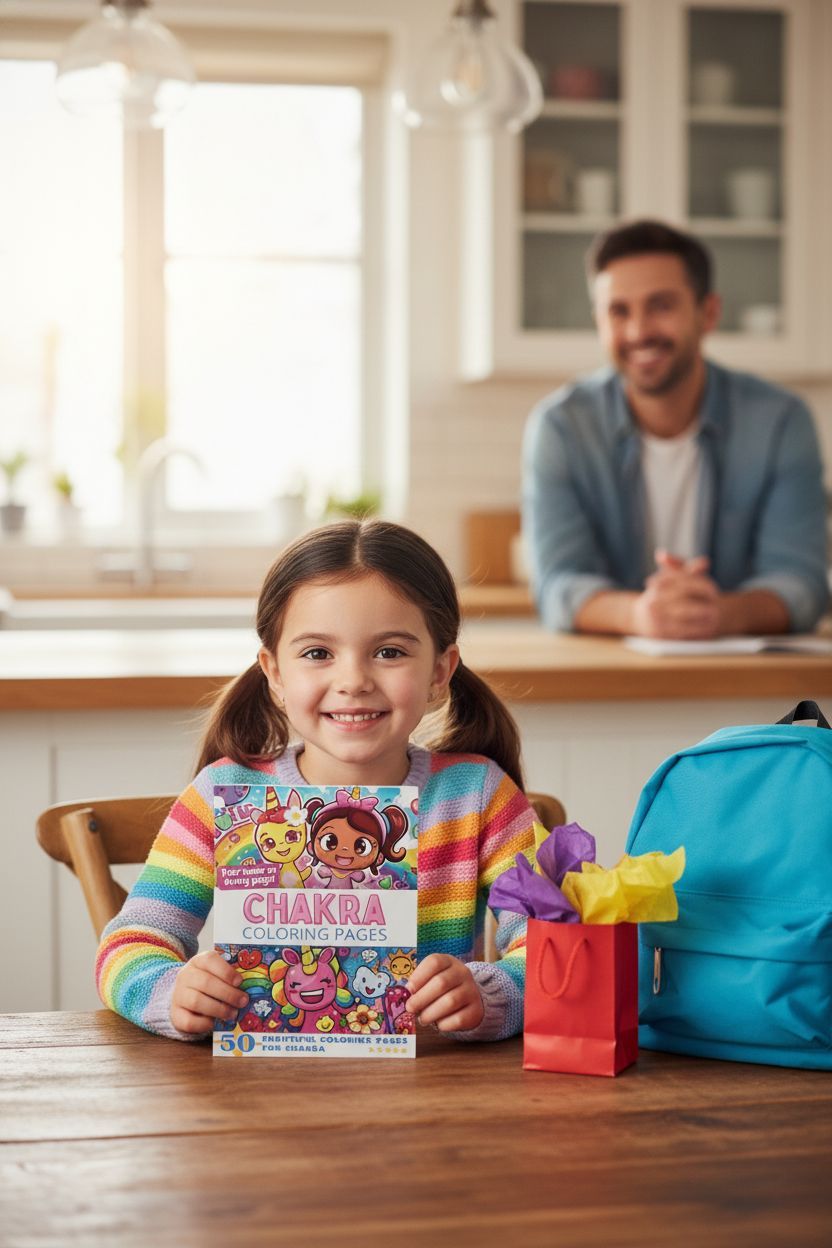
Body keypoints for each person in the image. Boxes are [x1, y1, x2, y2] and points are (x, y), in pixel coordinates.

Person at [96, 520, 537, 1042]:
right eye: (317, 653)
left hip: (432, 1094)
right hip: (260, 1097)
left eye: (390, 651)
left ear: (440, 671)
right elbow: (130, 943)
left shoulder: (479, 797)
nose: (352, 680)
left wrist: (493, 994)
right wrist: (172, 994)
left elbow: (556, 948)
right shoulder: (222, 795)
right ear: (275, 672)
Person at [523, 219, 829, 639]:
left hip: (748, 684)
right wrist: (641, 615)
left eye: (661, 305)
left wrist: (719, 615)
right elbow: (558, 584)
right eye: (619, 311)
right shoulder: (561, 427)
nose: (638, 331)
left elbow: (802, 582)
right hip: (616, 680)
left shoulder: (780, 421)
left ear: (709, 313)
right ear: (599, 321)